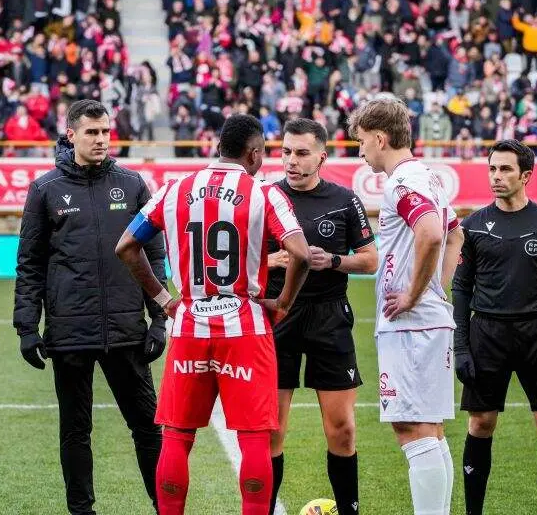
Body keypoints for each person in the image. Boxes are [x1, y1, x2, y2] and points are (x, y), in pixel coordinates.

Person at [114, 114, 311, 515]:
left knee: (176, 437)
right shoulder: (263, 193)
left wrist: (164, 299)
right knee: (255, 438)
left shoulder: (173, 190)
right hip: (246, 327)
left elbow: (126, 246)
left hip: (188, 324)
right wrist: (285, 302)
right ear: (254, 153)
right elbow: (302, 254)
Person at [13, 99, 168, 515]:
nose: (101, 140)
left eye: (105, 132)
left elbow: (154, 256)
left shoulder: (133, 185)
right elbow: (29, 263)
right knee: (75, 431)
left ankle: (165, 507)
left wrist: (159, 319)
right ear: (71, 135)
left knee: (149, 428)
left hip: (126, 330)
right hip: (70, 333)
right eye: (92, 132)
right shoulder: (46, 190)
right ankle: (81, 511)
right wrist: (26, 326)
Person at [348, 99, 464, 515]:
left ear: (381, 138)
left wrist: (416, 294)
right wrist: (437, 288)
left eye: (361, 141)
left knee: (412, 430)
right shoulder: (427, 177)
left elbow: (433, 234)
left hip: (411, 325)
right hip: (428, 322)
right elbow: (456, 235)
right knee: (430, 430)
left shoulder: (402, 182)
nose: (360, 150)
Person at [452, 139, 537, 515]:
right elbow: (461, 287)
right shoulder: (472, 226)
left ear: (526, 175)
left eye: (505, 169)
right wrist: (461, 346)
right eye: (492, 168)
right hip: (486, 334)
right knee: (480, 424)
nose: (496, 176)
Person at [265, 119, 377, 515]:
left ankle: (350, 510)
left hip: (330, 317)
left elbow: (370, 259)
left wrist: (333, 260)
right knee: (271, 431)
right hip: (278, 315)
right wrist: (271, 259)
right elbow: (237, 264)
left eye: (301, 153)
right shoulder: (264, 197)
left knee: (342, 429)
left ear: (322, 157)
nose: (290, 161)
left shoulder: (344, 199)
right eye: (285, 152)